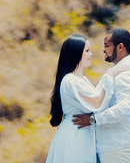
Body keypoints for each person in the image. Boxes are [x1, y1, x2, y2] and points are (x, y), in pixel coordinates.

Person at [72, 28, 130, 163]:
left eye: (106, 46)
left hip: (118, 147)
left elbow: (125, 108)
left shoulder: (126, 73)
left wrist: (93, 119)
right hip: (114, 146)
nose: (102, 49)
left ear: (120, 47)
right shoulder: (120, 69)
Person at [47, 34, 110, 163]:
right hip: (76, 134)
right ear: (76, 53)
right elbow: (97, 103)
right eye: (87, 50)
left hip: (78, 131)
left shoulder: (78, 80)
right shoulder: (72, 81)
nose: (90, 54)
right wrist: (108, 78)